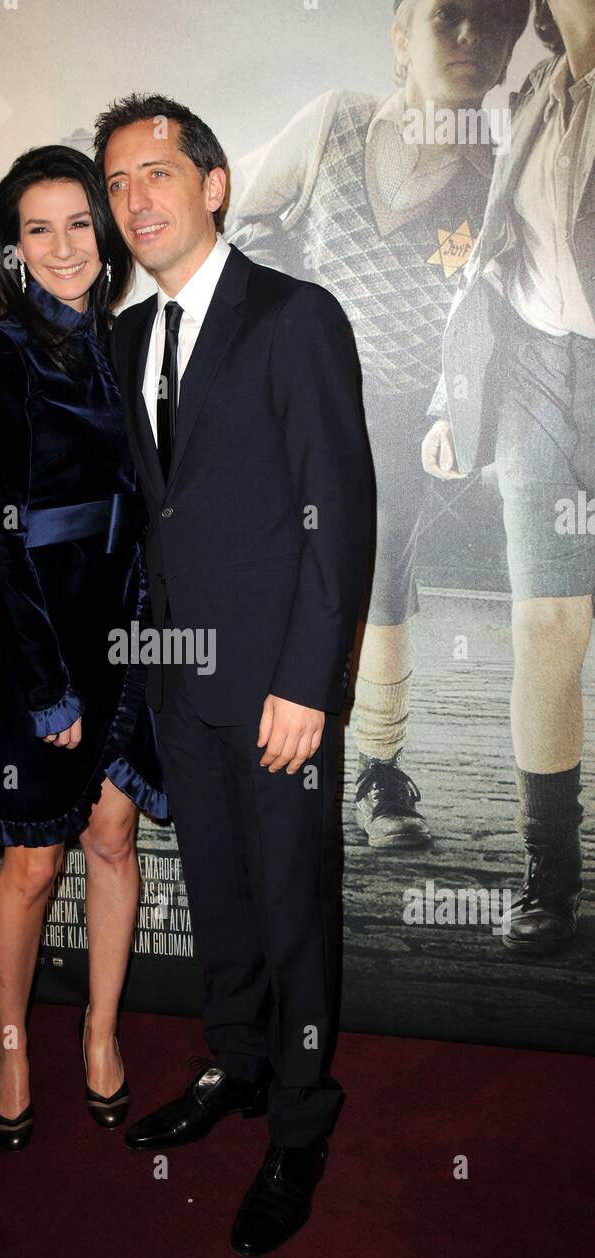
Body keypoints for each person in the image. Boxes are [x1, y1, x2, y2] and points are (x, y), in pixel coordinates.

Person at [96, 94, 374, 1256]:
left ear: (214, 185)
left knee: (294, 915)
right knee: (216, 896)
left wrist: (308, 682)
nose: (136, 198)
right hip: (182, 686)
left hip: (277, 696)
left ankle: (301, 1120)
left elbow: (343, 515)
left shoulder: (293, 317)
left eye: (158, 172)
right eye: (118, 183)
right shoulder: (121, 338)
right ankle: (239, 1066)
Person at [227, 0, 530, 849]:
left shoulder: (499, 166)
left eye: (495, 24)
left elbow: (495, 309)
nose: (473, 38)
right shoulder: (332, 122)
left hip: (401, 411)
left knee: (379, 575)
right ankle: (254, 754)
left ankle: (378, 771)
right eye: (448, 19)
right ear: (400, 38)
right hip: (299, 399)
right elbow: (244, 222)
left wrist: (455, 403)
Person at [0, 145, 168, 1151]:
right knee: (33, 864)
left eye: (80, 221)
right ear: (11, 247)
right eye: (39, 228)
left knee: (113, 837)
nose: (65, 245)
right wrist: (45, 679)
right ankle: (8, 1041)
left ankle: (99, 1028)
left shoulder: (134, 343)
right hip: (40, 630)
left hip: (128, 622)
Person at [421, 0, 595, 955]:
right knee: (544, 625)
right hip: (532, 375)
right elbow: (494, 259)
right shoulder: (531, 95)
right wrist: (456, 401)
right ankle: (550, 882)